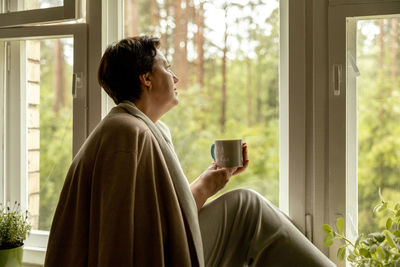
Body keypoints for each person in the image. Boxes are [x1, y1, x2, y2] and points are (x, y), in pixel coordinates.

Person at [44, 36, 335, 267]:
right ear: (146, 78)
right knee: (248, 207)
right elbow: (121, 241)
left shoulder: (137, 128)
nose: (175, 78)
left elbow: (160, 220)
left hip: (161, 252)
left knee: (247, 205)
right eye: (167, 68)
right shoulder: (127, 134)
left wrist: (211, 180)